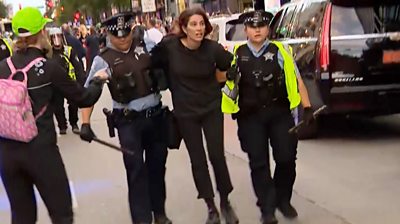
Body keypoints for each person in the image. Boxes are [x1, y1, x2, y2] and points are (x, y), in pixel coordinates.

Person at [0, 7, 107, 224]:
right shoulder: (50, 68)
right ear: (40, 33)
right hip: (41, 151)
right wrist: (98, 80)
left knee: (21, 217)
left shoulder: (2, 66)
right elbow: (84, 98)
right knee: (62, 214)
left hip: (7, 153)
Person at [222, 11, 314, 224]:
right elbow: (226, 86)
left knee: (286, 158)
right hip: (250, 116)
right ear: (245, 30)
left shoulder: (281, 50)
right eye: (252, 27)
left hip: (279, 113)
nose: (257, 30)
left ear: (268, 29)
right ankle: (267, 208)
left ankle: (283, 199)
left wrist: (307, 107)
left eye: (262, 26)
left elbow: (297, 81)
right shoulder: (236, 53)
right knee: (259, 163)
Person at [79, 12, 171, 224]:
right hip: (128, 122)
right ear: (109, 34)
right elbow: (89, 94)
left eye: (126, 34)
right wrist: (85, 123)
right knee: (136, 170)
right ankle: (142, 219)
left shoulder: (146, 44)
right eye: (117, 36)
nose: (122, 39)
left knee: (157, 167)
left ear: (132, 30)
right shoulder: (103, 59)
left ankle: (159, 212)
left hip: (156, 116)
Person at [151, 7, 239, 224]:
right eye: (193, 24)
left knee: (217, 155)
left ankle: (225, 202)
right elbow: (151, 62)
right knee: (197, 160)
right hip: (186, 113)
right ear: (184, 27)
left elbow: (232, 66)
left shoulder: (212, 49)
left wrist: (224, 77)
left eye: (202, 24)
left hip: (210, 108)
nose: (199, 28)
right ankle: (210, 207)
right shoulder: (170, 47)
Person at [48, 27, 86, 134]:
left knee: (73, 104)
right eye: (54, 37)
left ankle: (74, 123)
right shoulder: (48, 53)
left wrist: (80, 81)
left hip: (69, 82)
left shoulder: (68, 50)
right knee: (58, 106)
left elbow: (77, 66)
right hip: (55, 84)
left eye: (58, 36)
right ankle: (62, 126)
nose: (56, 39)